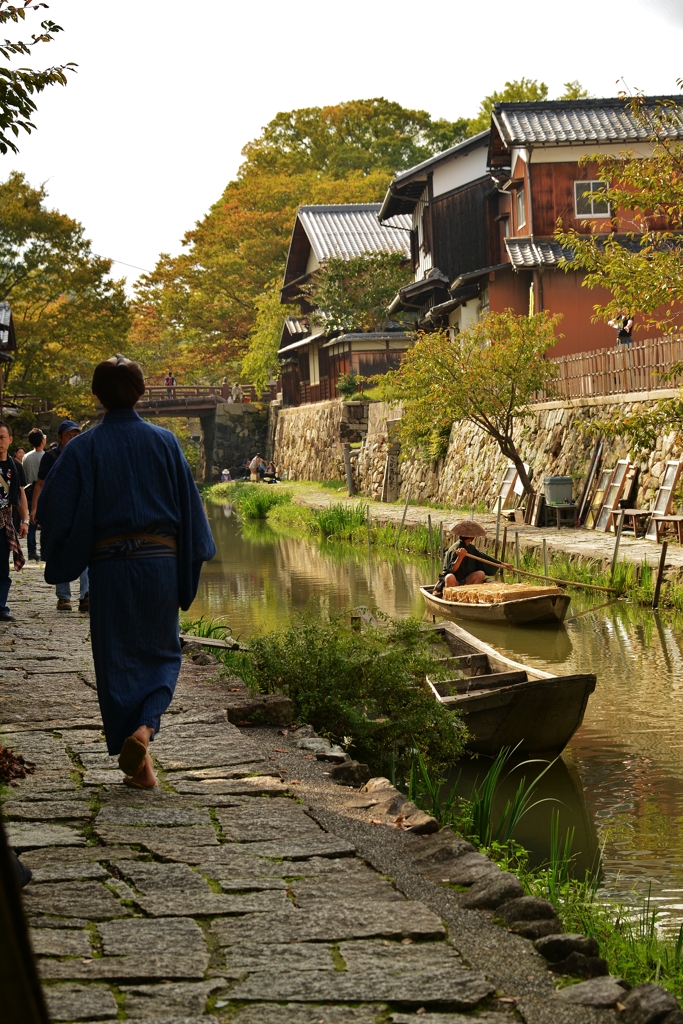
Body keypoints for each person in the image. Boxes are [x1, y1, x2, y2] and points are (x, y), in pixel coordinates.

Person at [37, 354, 216, 789]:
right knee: (162, 654)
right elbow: (190, 512)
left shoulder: (83, 447)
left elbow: (51, 511)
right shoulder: (165, 442)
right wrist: (187, 561)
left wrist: (66, 546)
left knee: (115, 661)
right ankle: (145, 737)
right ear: (141, 393)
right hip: (159, 565)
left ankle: (138, 756)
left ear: (97, 396)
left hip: (111, 568)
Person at [31, 420, 89, 612]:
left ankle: (85, 596)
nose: (72, 439)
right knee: (59, 550)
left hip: (79, 512)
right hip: (57, 511)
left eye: (75, 436)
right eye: (68, 436)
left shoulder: (83, 454)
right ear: (59, 437)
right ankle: (63, 597)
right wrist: (35, 509)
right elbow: (40, 484)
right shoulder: (51, 457)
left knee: (84, 552)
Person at [0, 421, 28, 622]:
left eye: (2, 437)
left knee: (2, 566)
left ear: (10, 440)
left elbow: (20, 494)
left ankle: (0, 606)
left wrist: (25, 520)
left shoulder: (15, 466)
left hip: (4, 522)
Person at [434, 521, 502, 594]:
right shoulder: (456, 548)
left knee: (481, 574)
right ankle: (450, 598)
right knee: (449, 577)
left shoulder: (471, 548)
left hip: (465, 580)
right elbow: (452, 570)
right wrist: (460, 558)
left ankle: (470, 595)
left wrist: (502, 564)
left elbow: (483, 557)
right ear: (472, 537)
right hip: (454, 581)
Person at [22, 428, 45, 561]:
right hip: (42, 492)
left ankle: (31, 550)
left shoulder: (26, 457)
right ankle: (43, 549)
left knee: (31, 522)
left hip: (28, 491)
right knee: (43, 522)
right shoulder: (45, 456)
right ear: (42, 440)